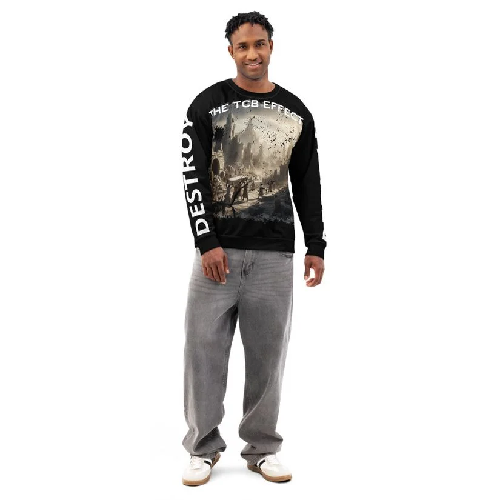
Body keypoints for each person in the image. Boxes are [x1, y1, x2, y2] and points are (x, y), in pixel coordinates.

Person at [180, 11, 327, 486]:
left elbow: (308, 182)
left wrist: (316, 243)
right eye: (242, 46)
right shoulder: (207, 105)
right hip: (216, 256)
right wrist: (207, 241)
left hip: (274, 254)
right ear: (230, 50)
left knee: (268, 357)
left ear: (271, 47)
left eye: (259, 44)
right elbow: (193, 177)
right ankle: (202, 448)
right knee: (203, 353)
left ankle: (262, 448)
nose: (252, 54)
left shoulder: (296, 111)